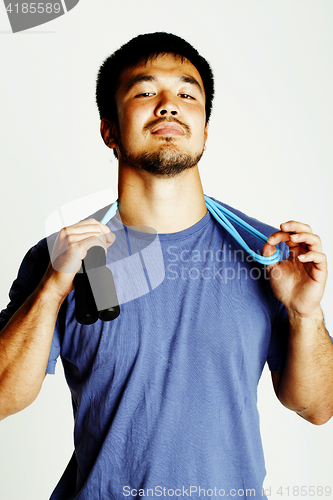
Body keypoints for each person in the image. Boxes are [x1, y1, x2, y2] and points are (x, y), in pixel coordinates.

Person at [0, 32, 332, 500]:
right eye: (144, 91)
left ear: (205, 127)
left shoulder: (270, 254)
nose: (168, 105)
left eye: (186, 93)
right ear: (109, 130)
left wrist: (306, 315)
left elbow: (318, 407)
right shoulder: (61, 257)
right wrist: (53, 288)